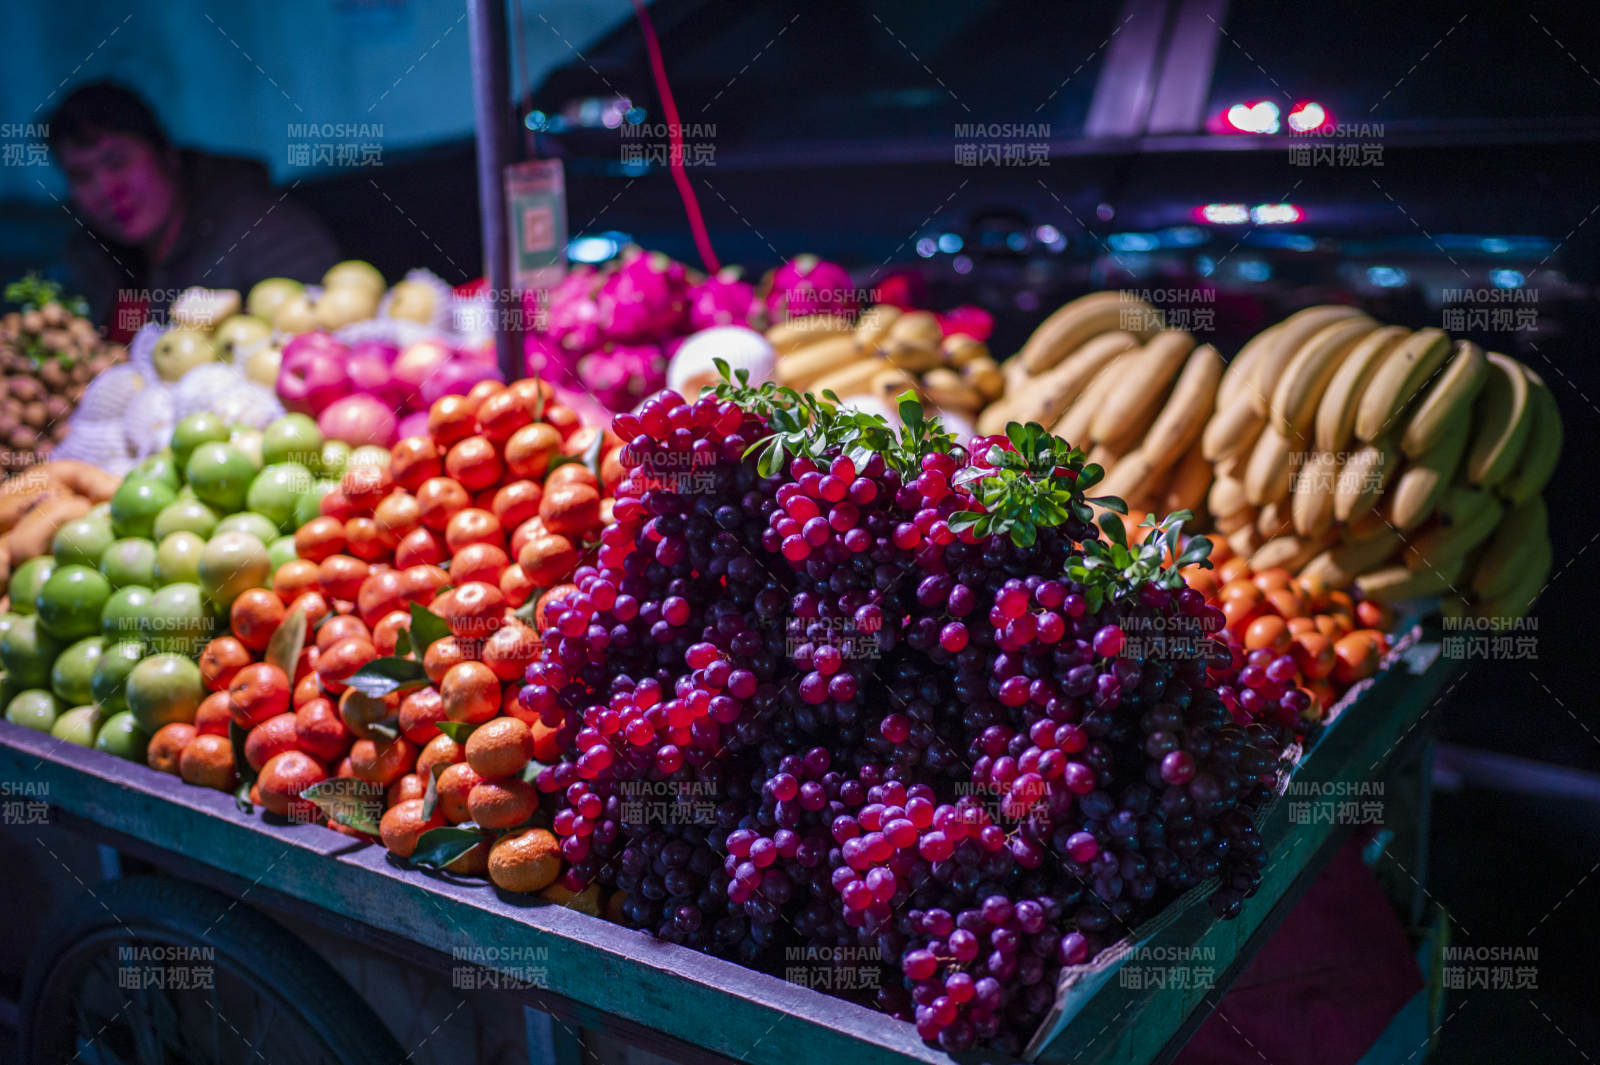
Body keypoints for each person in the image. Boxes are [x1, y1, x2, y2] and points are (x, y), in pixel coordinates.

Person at [46, 81, 340, 338]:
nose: (107, 191)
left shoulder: (266, 230)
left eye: (117, 162)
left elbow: (326, 329)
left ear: (167, 155)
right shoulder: (87, 258)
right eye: (82, 176)